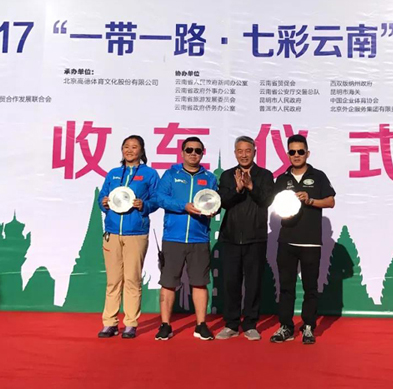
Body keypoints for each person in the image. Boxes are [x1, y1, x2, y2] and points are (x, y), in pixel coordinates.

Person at [270, 134, 335, 345]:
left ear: (307, 153)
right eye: (292, 152)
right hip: (286, 240)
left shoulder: (318, 176)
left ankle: (308, 326)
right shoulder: (282, 179)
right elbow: (276, 204)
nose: (296, 155)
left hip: (310, 242)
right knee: (286, 287)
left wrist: (311, 200)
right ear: (287, 154)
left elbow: (330, 201)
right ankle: (286, 326)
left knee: (310, 287)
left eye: (300, 151)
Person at [155, 137, 218, 341]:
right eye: (189, 149)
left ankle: (201, 325)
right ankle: (165, 325)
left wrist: (213, 210)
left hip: (199, 238)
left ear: (202, 153)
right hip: (173, 237)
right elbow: (160, 198)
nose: (193, 153)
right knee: (168, 283)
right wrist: (184, 206)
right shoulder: (171, 174)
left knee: (200, 283)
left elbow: (214, 202)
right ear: (182, 152)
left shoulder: (209, 178)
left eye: (197, 150)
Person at [97, 135, 160, 339]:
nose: (129, 150)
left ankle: (131, 323)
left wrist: (145, 205)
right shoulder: (113, 173)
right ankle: (109, 323)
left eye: (134, 147)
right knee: (113, 280)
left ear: (142, 151)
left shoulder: (149, 174)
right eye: (126, 146)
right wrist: (103, 203)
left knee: (132, 279)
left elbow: (157, 199)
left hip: (136, 233)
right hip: (112, 232)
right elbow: (101, 196)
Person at [216, 136, 274, 341]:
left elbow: (267, 200)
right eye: (239, 151)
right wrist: (238, 189)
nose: (243, 155)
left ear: (254, 152)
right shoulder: (227, 175)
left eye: (247, 150)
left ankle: (250, 324)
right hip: (230, 237)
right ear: (235, 153)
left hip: (255, 237)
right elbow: (222, 201)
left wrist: (251, 186)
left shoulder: (265, 175)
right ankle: (231, 324)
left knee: (253, 283)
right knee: (230, 282)